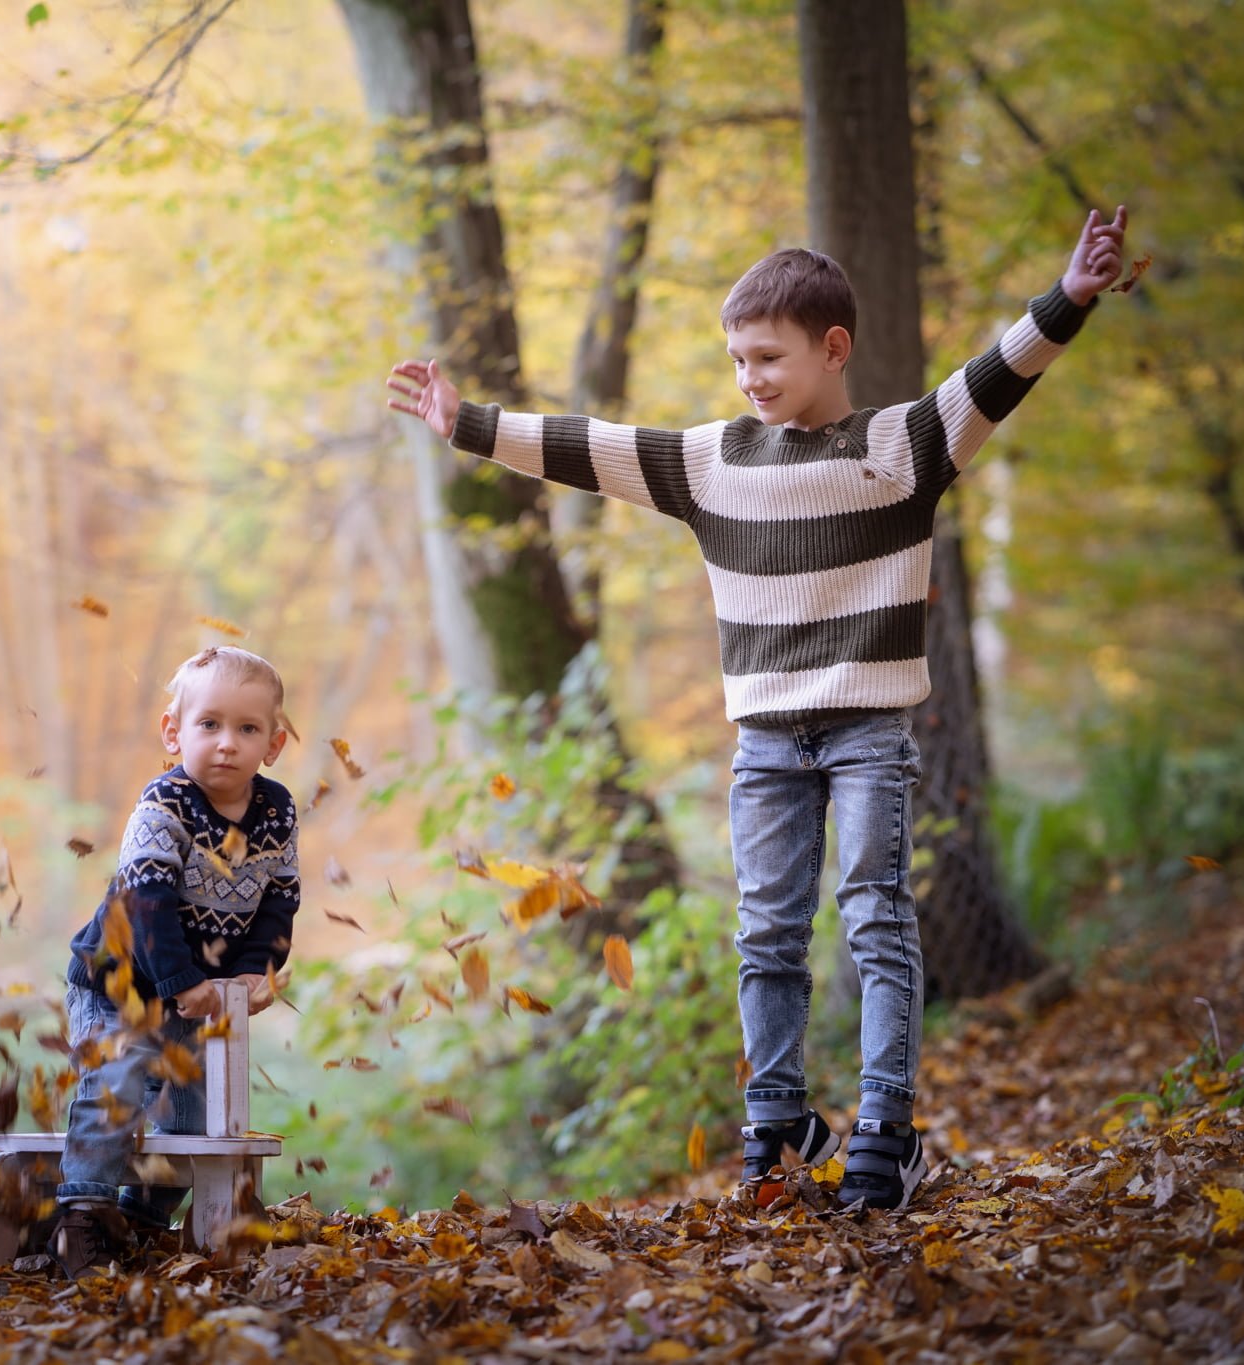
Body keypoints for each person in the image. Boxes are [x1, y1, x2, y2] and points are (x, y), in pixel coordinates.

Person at [386, 208, 1129, 1210]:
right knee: (766, 932)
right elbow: (588, 445)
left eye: (768, 357)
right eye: (737, 360)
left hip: (868, 733)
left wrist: (1071, 295)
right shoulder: (712, 463)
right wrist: (467, 423)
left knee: (872, 915)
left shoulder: (902, 446)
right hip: (766, 743)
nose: (749, 378)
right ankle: (777, 1119)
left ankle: (884, 1126)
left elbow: (995, 372)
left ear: (833, 349)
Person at [51, 645, 300, 1273]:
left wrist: (254, 970)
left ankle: (142, 1216)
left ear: (273, 743)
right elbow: (147, 902)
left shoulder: (277, 812)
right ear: (174, 730)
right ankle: (82, 1214)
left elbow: (279, 899)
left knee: (198, 1111)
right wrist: (181, 981)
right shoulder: (164, 806)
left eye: (247, 729)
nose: (226, 743)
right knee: (122, 1078)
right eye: (209, 724)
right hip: (122, 984)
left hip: (196, 991)